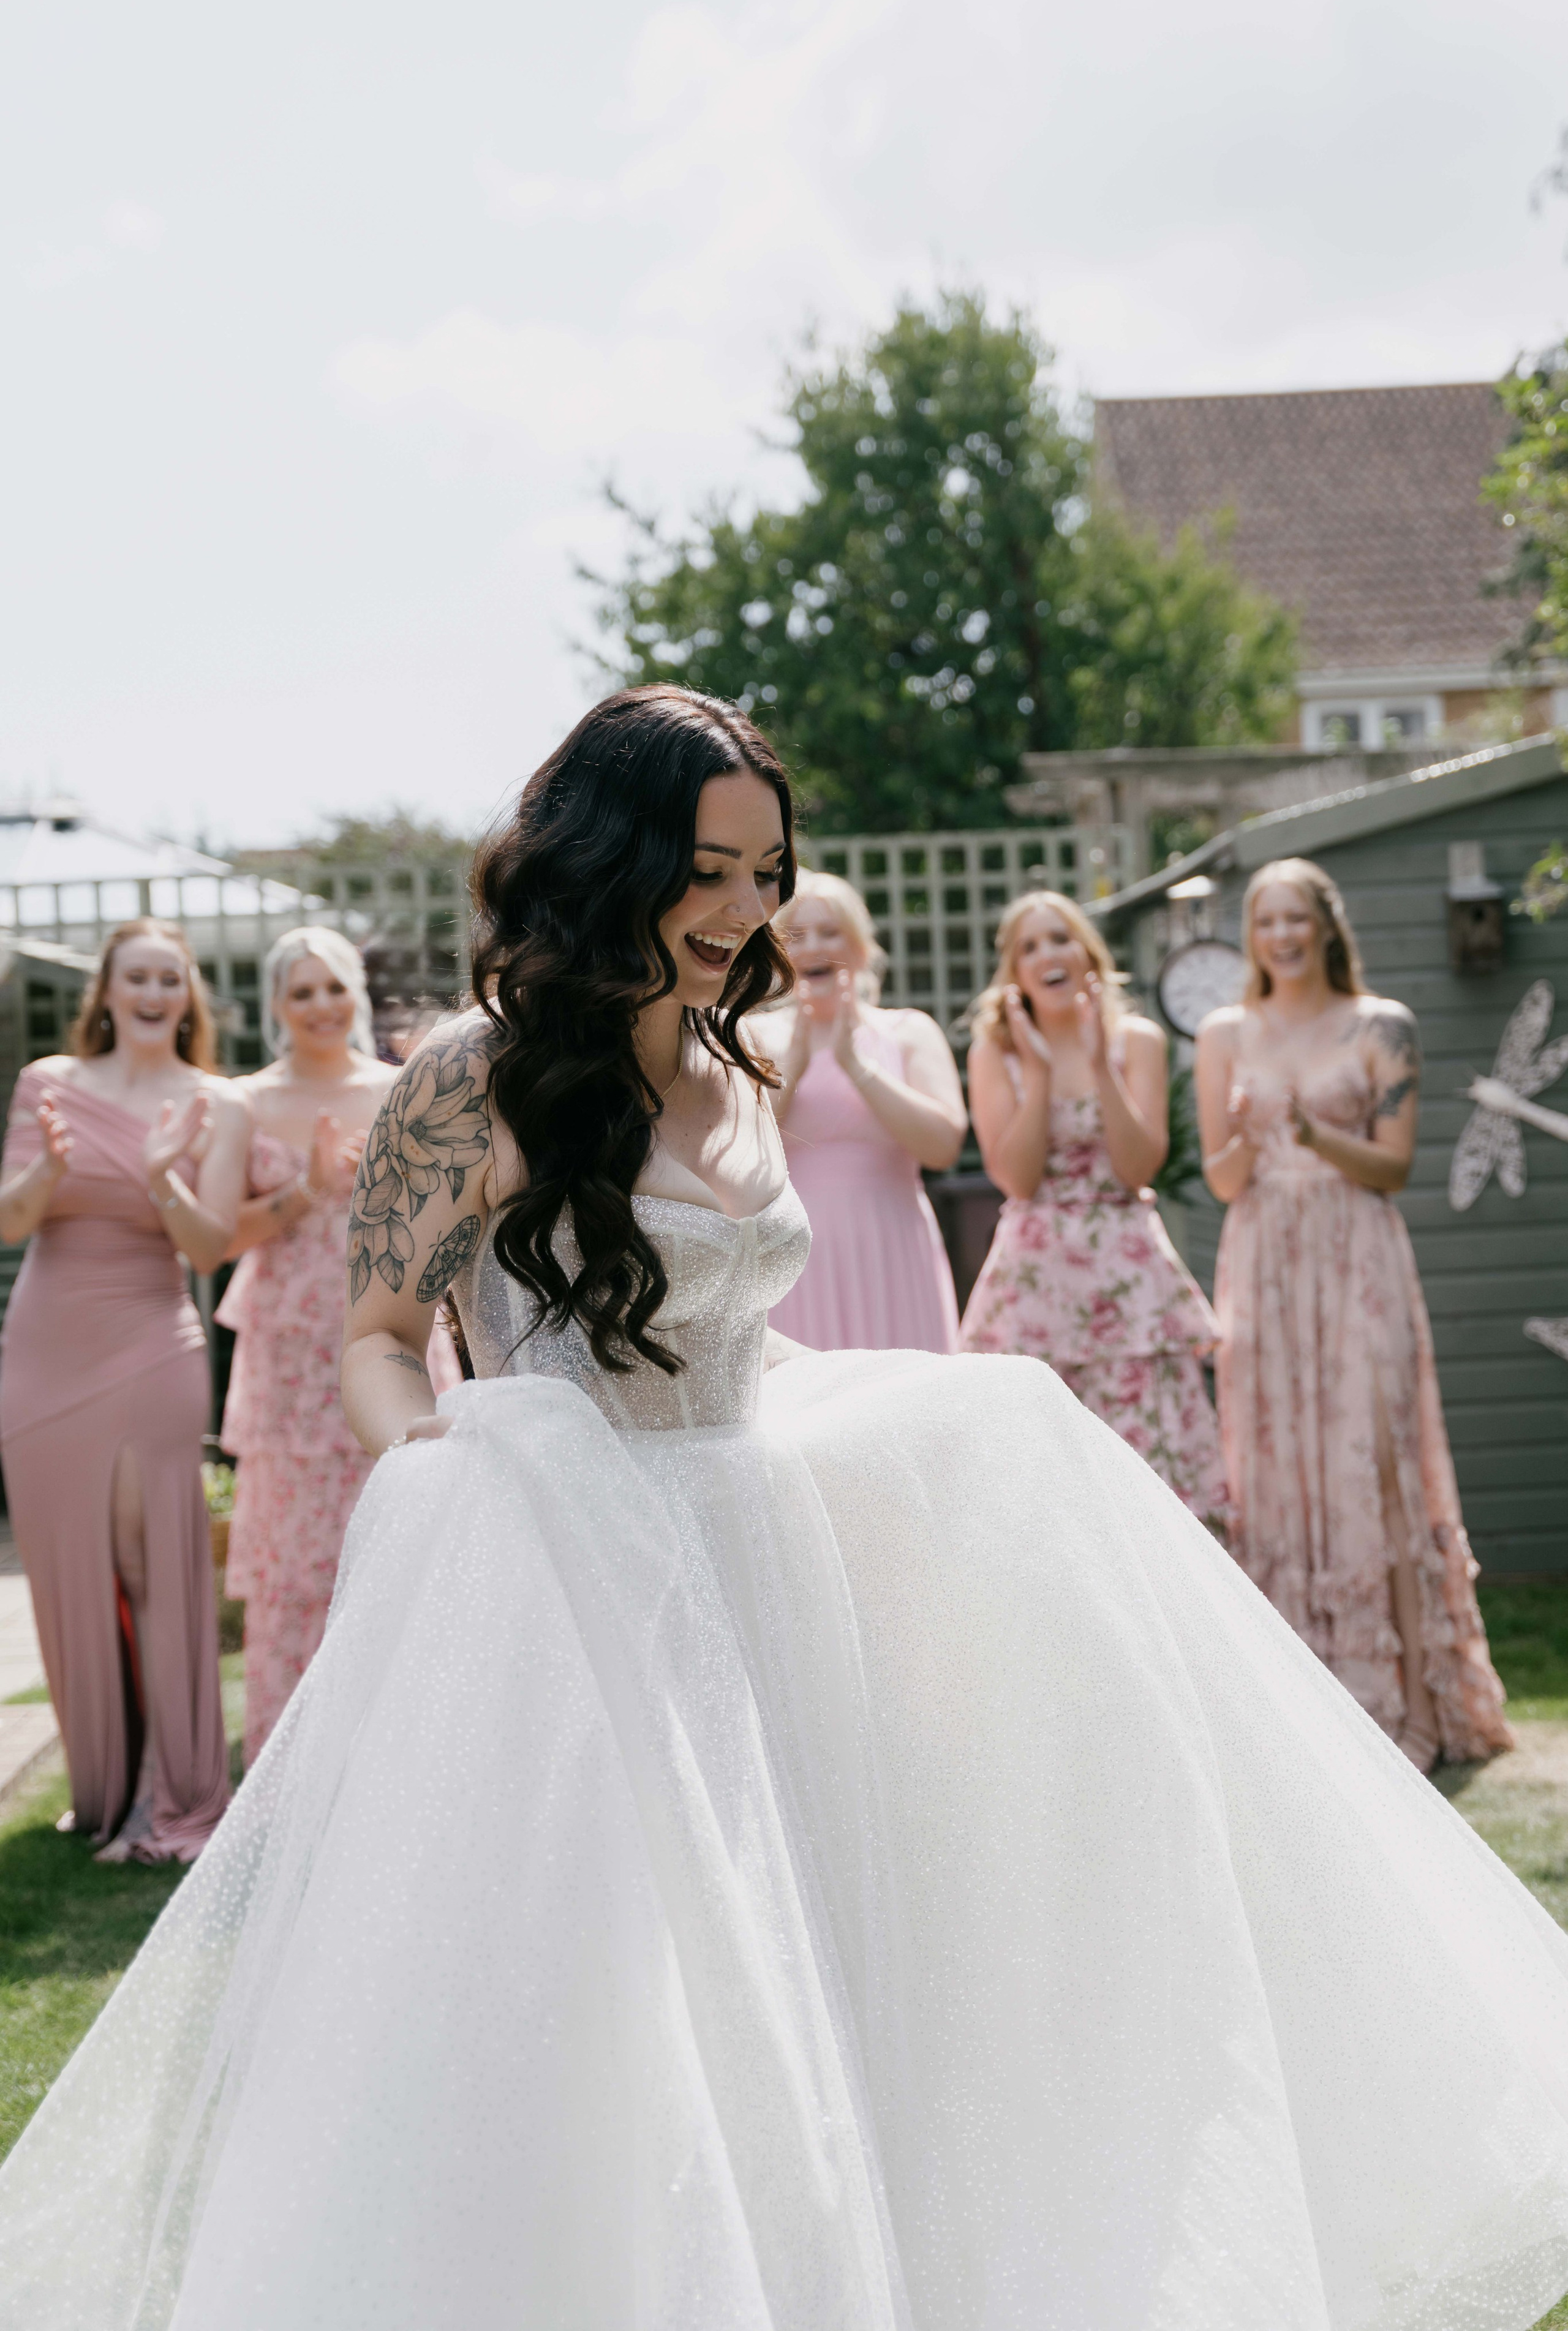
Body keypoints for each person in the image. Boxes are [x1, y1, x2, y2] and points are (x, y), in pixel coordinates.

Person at [4, 690, 1568, 2331]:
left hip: (765, 1574)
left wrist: (927, 1420)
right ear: (609, 857)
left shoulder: (736, 1066)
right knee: (613, 2021)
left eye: (768, 872)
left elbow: (732, 1339)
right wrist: (463, 1472)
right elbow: (380, 1342)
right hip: (571, 1582)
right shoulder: (472, 1077)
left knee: (838, 1992)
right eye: (710, 870)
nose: (746, 909)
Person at [1195, 856, 1512, 1772]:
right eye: (1266, 922)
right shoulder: (1224, 1032)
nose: (1281, 937)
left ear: (1327, 926)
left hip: (1357, 1256)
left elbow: (1394, 1169)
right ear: (1251, 938)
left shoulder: (1383, 1025)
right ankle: (1294, 1710)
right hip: (1263, 1257)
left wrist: (1312, 1134)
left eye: (1296, 919)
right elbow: (1221, 1181)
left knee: (1374, 1457)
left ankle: (1410, 1702)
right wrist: (1248, 1134)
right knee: (1273, 1464)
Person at [0, 920, 246, 1863]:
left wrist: (158, 1180)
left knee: (149, 1561)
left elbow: (209, 1249)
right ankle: (101, 1787)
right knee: (68, 1563)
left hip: (150, 1341)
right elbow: (12, 1220)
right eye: (135, 977)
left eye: (168, 979)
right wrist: (47, 1170)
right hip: (44, 1348)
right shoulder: (47, 1082)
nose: (151, 993)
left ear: (187, 997)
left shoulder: (216, 1103)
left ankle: (164, 1793)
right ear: (105, 991)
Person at [216, 927, 462, 1766]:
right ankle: (294, 1771)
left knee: (407, 1537)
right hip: (291, 1359)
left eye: (334, 987)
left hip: (395, 1337)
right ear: (276, 1004)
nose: (321, 1005)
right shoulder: (243, 1102)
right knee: (297, 1567)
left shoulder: (403, 1087)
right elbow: (217, 1240)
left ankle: (413, 1760)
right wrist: (309, 1188)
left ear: (356, 994)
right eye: (302, 991)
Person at [960, 893, 1228, 1527]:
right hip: (1035, 1281)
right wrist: (1039, 1072)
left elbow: (1138, 1168)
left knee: (1150, 1465)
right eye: (1029, 947)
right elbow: (1018, 1179)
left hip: (1128, 1276)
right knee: (1048, 1474)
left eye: (1060, 938)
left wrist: (1101, 1061)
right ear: (1014, 972)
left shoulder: (1137, 1040)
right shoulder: (994, 1051)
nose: (1047, 954)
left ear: (1088, 953)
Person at [752, 870, 964, 1351]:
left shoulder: (909, 1032)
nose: (814, 947)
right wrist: (795, 1066)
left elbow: (943, 1147)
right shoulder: (752, 1035)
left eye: (830, 932)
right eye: (797, 934)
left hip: (891, 1245)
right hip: (792, 1255)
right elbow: (738, 1151)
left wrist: (857, 1067)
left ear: (861, 948)